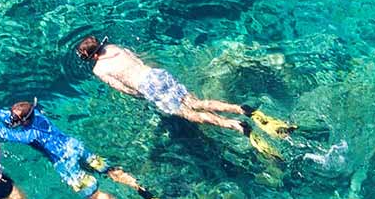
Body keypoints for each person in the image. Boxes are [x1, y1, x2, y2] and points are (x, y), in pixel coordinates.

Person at [73, 36, 296, 157]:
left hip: (147, 87)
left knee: (190, 115)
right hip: (156, 74)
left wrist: (140, 96)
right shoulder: (113, 46)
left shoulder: (98, 70)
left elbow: (122, 88)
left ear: (88, 56)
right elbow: (137, 59)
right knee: (197, 103)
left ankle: (236, 125)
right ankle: (244, 109)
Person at [0, 99, 184, 199]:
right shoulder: (39, 117)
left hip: (66, 163)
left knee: (93, 195)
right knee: (110, 170)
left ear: (22, 121)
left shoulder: (31, 134)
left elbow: (5, 134)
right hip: (77, 147)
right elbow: (11, 115)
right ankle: (150, 197)